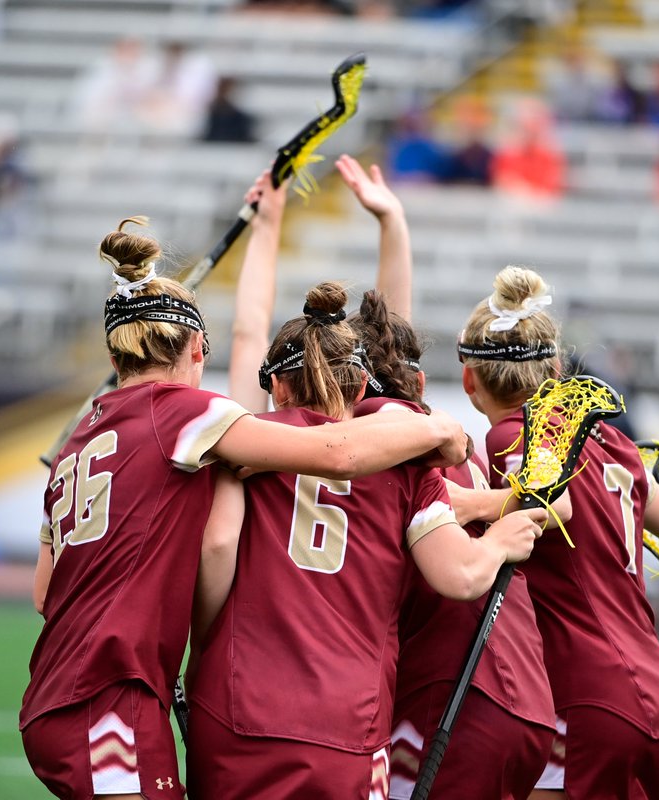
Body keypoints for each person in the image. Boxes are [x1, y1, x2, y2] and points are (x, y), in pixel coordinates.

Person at [20, 217, 472, 800]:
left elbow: (43, 593)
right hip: (111, 694)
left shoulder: (75, 444)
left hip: (57, 688)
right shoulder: (185, 411)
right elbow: (336, 452)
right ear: (195, 348)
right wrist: (437, 429)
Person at [186, 165, 548, 799]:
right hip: (349, 724)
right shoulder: (407, 453)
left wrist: (268, 226)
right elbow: (460, 575)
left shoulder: (248, 437)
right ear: (360, 386)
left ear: (276, 383)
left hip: (238, 705)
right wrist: (500, 529)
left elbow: (247, 332)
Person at [458, 266, 659, 799]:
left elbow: (551, 499)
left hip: (582, 700)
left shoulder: (506, 436)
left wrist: (457, 502)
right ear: (558, 369)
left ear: (470, 381)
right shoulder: (614, 444)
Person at [339, 154, 560, 799]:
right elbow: (389, 342)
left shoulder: (377, 443)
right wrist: (394, 226)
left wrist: (472, 507)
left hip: (456, 693)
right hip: (520, 690)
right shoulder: (429, 433)